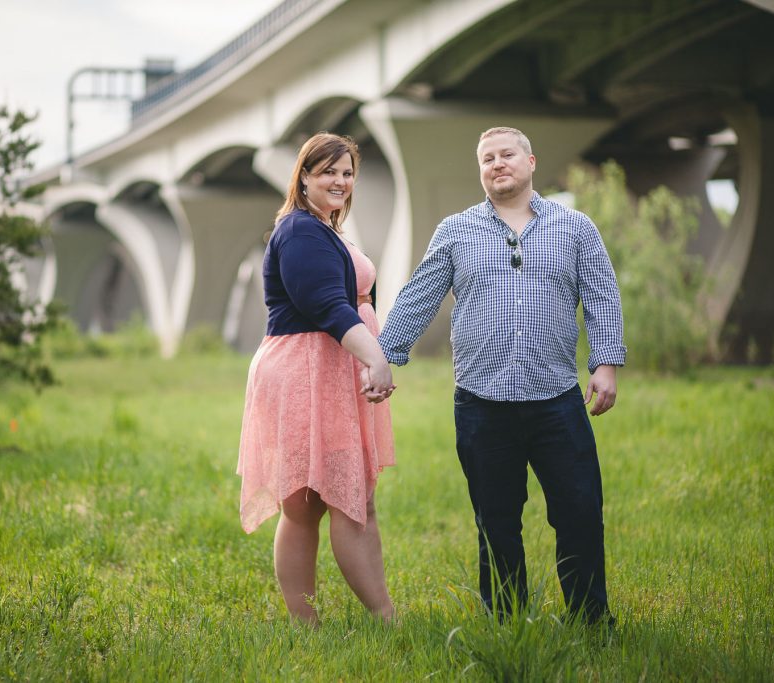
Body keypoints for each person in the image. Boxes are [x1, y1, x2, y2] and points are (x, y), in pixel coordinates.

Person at [376, 126, 626, 623]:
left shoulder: (575, 228)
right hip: (481, 404)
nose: (497, 164)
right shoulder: (455, 230)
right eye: (487, 158)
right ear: (481, 171)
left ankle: (590, 622)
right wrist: (384, 354)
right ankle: (508, 624)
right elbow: (418, 296)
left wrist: (605, 364)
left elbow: (602, 296)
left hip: (556, 399)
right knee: (496, 522)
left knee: (579, 512)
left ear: (531, 162)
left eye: (506, 154)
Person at [237, 132, 396, 625]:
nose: (341, 181)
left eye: (348, 173)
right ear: (303, 175)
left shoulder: (321, 229)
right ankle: (369, 619)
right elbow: (328, 307)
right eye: (329, 171)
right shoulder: (302, 232)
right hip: (306, 373)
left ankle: (364, 618)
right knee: (322, 504)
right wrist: (376, 358)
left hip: (327, 372)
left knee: (341, 500)